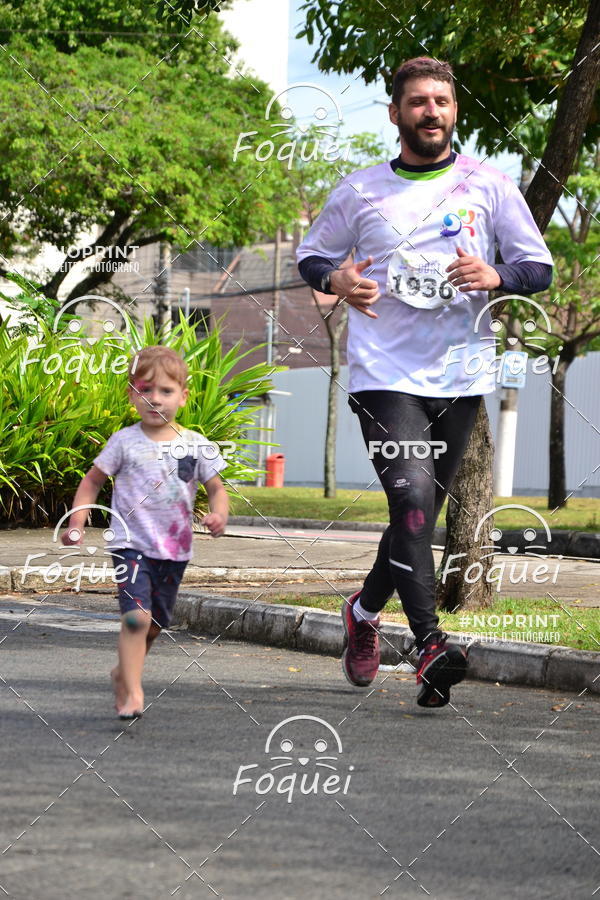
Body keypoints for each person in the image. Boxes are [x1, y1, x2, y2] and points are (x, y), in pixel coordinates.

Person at [297, 57, 552, 708]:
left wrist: (498, 276)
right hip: (383, 373)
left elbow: (538, 267)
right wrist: (338, 281)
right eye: (417, 101)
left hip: (463, 375)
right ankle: (431, 644)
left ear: (455, 111)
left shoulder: (489, 185)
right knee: (410, 498)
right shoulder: (360, 192)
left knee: (416, 517)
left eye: (440, 100)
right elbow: (312, 255)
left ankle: (362, 612)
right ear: (396, 114)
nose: (430, 111)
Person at [62, 345, 229, 719]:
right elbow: (92, 482)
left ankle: (124, 671)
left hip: (174, 550)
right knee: (136, 618)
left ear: (183, 397)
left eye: (165, 391)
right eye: (144, 390)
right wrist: (77, 523)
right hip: (129, 544)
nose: (154, 399)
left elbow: (217, 488)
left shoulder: (196, 444)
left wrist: (219, 515)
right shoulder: (124, 441)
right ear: (131, 395)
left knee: (154, 625)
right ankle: (133, 693)